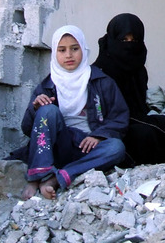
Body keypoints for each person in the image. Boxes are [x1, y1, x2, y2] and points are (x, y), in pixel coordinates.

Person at [20, 25, 129, 200]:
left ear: (84, 49)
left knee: (116, 148)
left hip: (86, 147)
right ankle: (37, 176)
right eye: (62, 50)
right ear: (55, 54)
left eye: (74, 49)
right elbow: (27, 128)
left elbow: (120, 118)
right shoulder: (47, 86)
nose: (69, 55)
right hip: (56, 147)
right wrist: (36, 109)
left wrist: (99, 136)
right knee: (47, 110)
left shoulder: (101, 81)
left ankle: (58, 177)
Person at [93, 13, 165, 166]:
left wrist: (164, 117)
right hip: (111, 127)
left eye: (135, 40)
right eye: (124, 40)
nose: (129, 45)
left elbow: (139, 106)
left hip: (136, 118)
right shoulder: (103, 72)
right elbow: (118, 113)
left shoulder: (138, 70)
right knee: (146, 133)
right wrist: (162, 124)